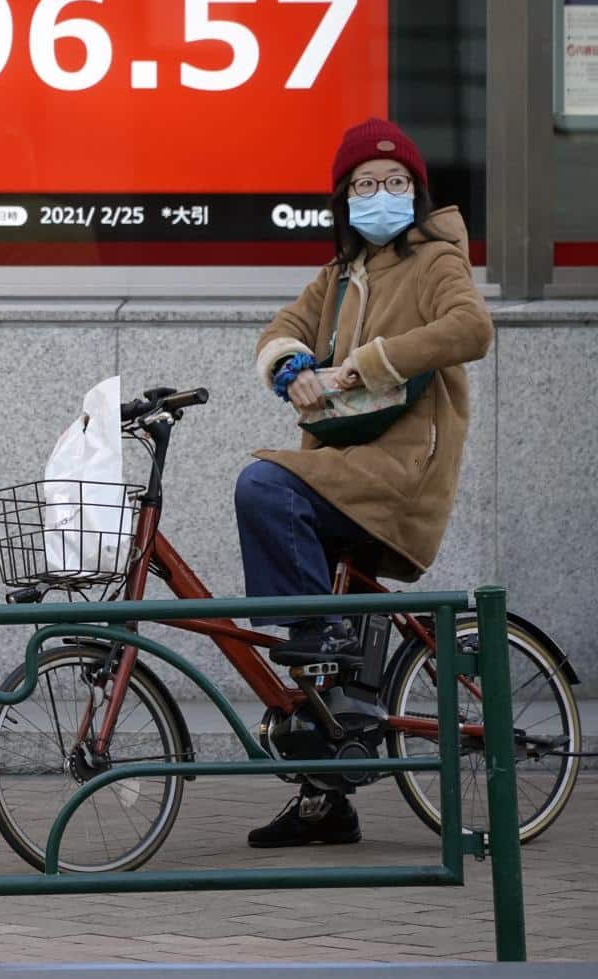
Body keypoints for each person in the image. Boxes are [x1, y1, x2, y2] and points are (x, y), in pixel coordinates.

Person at [235, 117, 493, 848]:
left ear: (416, 191)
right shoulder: (338, 275)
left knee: (264, 487)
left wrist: (365, 363)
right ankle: (326, 798)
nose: (381, 194)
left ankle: (323, 639)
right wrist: (290, 367)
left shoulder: (435, 260)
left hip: (399, 469)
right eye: (364, 184)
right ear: (344, 199)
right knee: (315, 654)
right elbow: (279, 327)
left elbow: (472, 329)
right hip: (346, 466)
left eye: (395, 182)